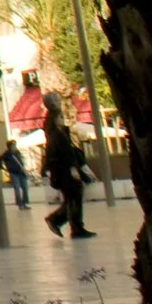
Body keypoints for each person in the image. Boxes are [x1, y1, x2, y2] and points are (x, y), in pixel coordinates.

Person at [40, 91, 97, 238]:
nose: (62, 120)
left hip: (60, 168)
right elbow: (64, 149)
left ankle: (62, 221)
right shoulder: (56, 130)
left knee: (72, 197)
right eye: (61, 118)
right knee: (74, 196)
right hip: (64, 169)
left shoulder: (49, 125)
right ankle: (70, 225)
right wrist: (73, 167)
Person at [0, 139, 32, 209]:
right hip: (13, 173)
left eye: (15, 145)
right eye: (13, 145)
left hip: (21, 173)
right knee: (17, 189)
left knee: (25, 188)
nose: (14, 146)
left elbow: (20, 161)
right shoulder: (6, 154)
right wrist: (2, 167)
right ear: (9, 146)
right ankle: (20, 204)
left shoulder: (17, 152)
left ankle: (24, 203)